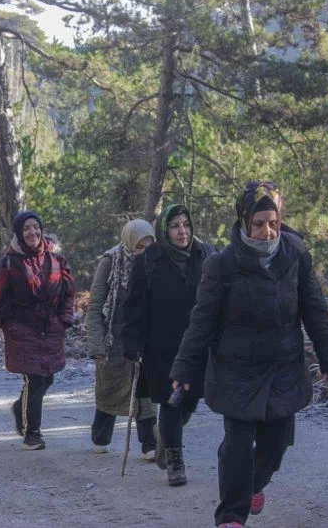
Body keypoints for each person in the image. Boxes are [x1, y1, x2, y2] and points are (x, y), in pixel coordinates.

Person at [170, 181, 328, 528]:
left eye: (273, 222)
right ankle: (231, 516)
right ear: (245, 220)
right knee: (237, 444)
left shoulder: (295, 255)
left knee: (277, 443)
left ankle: (253, 486)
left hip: (283, 367)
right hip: (236, 370)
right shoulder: (222, 264)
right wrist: (185, 368)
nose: (267, 232)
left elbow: (314, 309)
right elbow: (201, 320)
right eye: (259, 223)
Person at [120, 203, 213, 486]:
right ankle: (175, 462)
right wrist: (132, 343)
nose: (182, 231)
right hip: (161, 347)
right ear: (164, 230)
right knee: (171, 402)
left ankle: (164, 436)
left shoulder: (206, 254)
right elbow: (133, 306)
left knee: (191, 401)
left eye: (185, 224)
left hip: (198, 345)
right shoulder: (149, 259)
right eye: (174, 226)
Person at [0, 211, 76, 451]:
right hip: (21, 329)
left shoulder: (56, 259)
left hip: (50, 328)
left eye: (35, 227)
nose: (32, 233)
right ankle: (32, 434)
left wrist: (64, 320)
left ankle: (19, 407)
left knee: (48, 377)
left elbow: (68, 292)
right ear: (19, 234)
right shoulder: (10, 262)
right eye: (26, 229)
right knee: (35, 378)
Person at [86, 219, 157, 458]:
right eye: (139, 247)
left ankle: (149, 444)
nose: (144, 253)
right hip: (113, 340)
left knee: (144, 392)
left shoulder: (156, 264)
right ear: (129, 244)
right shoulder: (110, 262)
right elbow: (95, 306)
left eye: (149, 246)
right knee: (110, 390)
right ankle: (100, 437)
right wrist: (96, 345)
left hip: (143, 339)